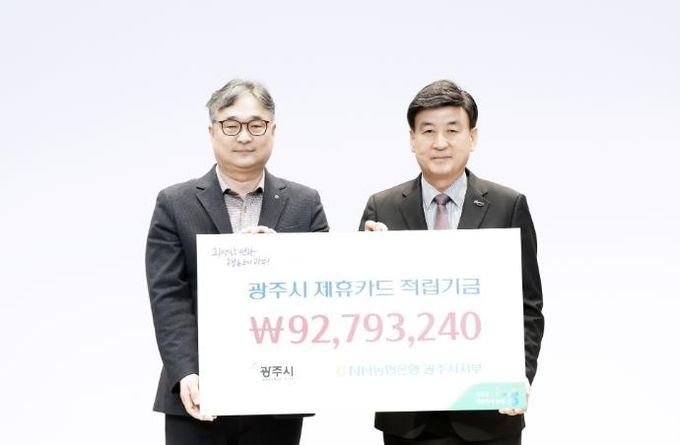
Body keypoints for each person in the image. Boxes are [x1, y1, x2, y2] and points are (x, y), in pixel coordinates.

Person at [360, 80, 544, 445]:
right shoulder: (382, 208)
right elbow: (362, 308)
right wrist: (366, 262)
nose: (440, 142)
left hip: (488, 415)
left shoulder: (508, 205)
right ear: (412, 139)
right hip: (408, 417)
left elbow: (528, 306)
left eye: (452, 130)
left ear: (472, 137)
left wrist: (519, 376)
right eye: (428, 131)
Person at [146, 79, 329, 445]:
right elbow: (169, 297)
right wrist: (186, 372)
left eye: (256, 125)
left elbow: (323, 289)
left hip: (278, 395)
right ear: (212, 131)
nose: (244, 136)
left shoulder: (304, 203)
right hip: (198, 393)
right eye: (231, 125)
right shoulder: (175, 203)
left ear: (273, 130)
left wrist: (283, 260)